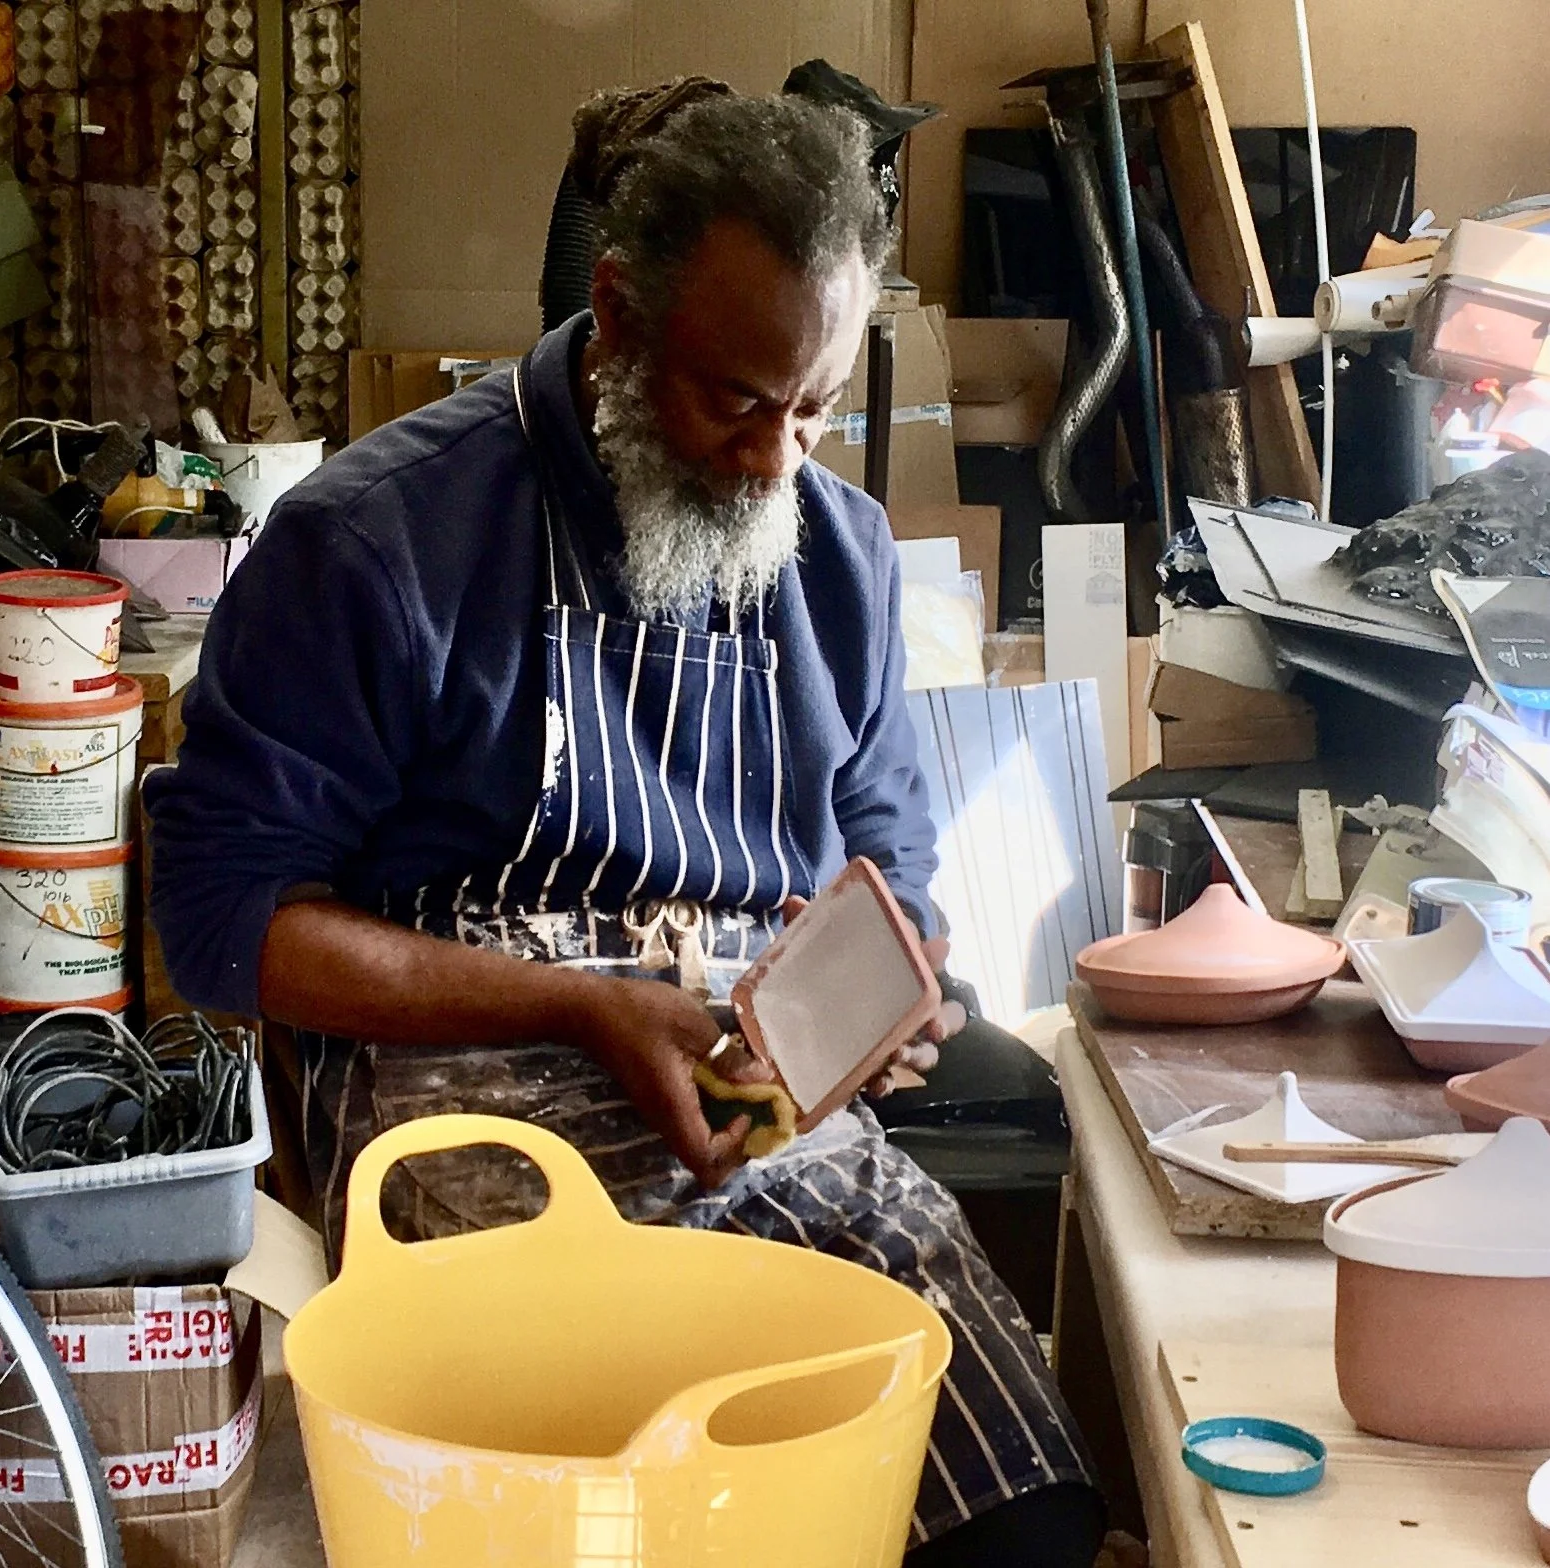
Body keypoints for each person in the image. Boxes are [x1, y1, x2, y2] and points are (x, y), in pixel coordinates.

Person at [146, 83, 1104, 1567]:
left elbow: (889, 860)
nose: (779, 458)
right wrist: (588, 1010)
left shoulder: (836, 558)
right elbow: (220, 926)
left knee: (1004, 1500)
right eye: (733, 400)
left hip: (749, 1095)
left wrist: (877, 997)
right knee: (611, 1502)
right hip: (461, 1097)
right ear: (615, 315)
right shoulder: (379, 539)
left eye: (817, 408)